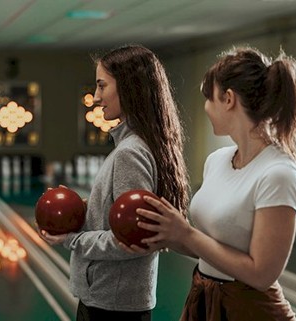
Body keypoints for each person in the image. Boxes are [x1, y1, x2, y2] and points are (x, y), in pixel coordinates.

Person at [131, 46, 296, 320]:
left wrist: (187, 234)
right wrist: (167, 235)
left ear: (228, 99)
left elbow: (261, 274)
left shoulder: (279, 173)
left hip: (251, 310)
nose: (205, 107)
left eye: (209, 98)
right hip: (203, 300)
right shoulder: (217, 160)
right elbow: (211, 248)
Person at [39, 44, 189, 321]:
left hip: (112, 306)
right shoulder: (141, 144)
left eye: (102, 86)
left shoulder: (130, 153)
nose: (96, 97)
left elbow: (132, 240)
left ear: (129, 88)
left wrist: (72, 239)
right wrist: (91, 207)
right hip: (115, 301)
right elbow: (127, 224)